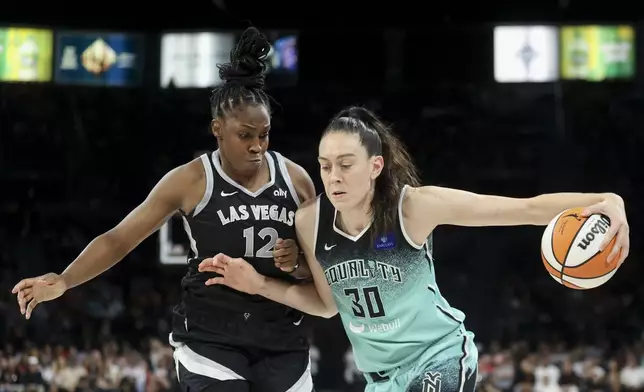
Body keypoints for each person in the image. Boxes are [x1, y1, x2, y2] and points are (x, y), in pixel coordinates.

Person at [198, 106, 630, 392]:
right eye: (325, 166)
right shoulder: (309, 221)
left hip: (439, 356)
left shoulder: (413, 208)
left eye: (346, 165)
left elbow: (522, 209)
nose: (333, 177)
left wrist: (606, 201)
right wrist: (258, 284)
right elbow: (328, 305)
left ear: (375, 165)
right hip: (380, 379)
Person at [12, 27, 318, 392]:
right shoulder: (190, 181)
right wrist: (65, 280)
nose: (257, 146)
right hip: (212, 340)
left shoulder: (297, 181)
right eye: (246, 135)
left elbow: (317, 272)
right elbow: (120, 239)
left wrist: (298, 260)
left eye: (264, 134)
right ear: (217, 129)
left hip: (282, 340)